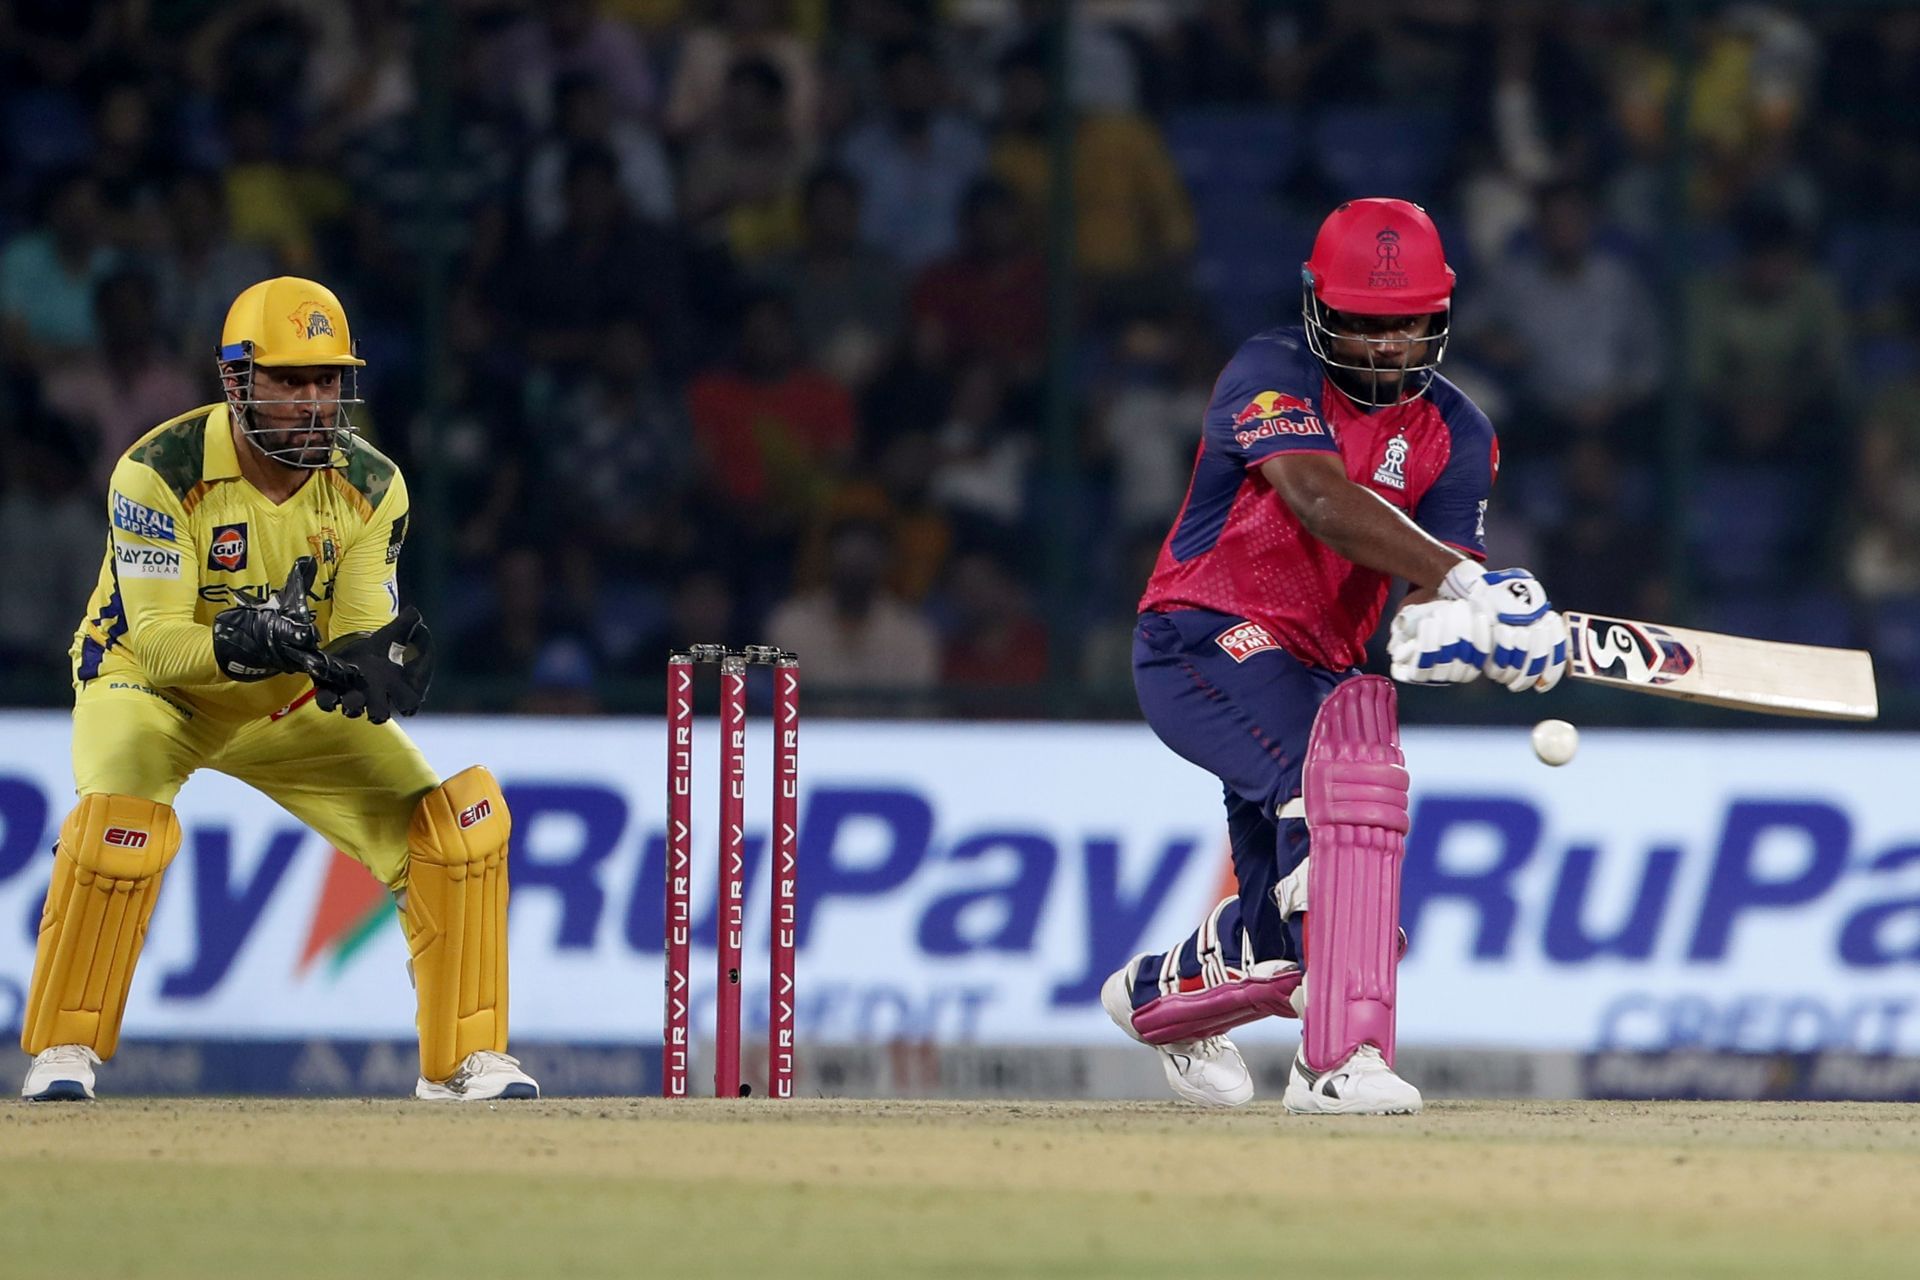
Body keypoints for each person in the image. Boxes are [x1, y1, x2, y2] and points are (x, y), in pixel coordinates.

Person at [18, 277, 537, 1104]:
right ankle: (64, 1054)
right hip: (149, 694)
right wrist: (241, 637)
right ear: (236, 381)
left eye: (326, 381)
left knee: (454, 831)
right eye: (289, 380)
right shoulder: (158, 470)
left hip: (284, 702)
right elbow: (154, 642)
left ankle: (463, 1062)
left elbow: (360, 627)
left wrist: (370, 663)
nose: (312, 403)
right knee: (120, 829)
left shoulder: (373, 485)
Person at [1104, 199, 1569, 1114]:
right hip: (1202, 635)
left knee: (1290, 936)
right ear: (1320, 306)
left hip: (1316, 673)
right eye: (1364, 324)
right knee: (1339, 799)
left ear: (1440, 314)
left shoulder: (1459, 433)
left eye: (1406, 325)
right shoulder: (1267, 372)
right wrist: (1469, 586)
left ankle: (1159, 996)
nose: (1388, 346)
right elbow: (1319, 499)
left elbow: (1431, 594)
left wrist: (1472, 630)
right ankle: (1337, 1065)